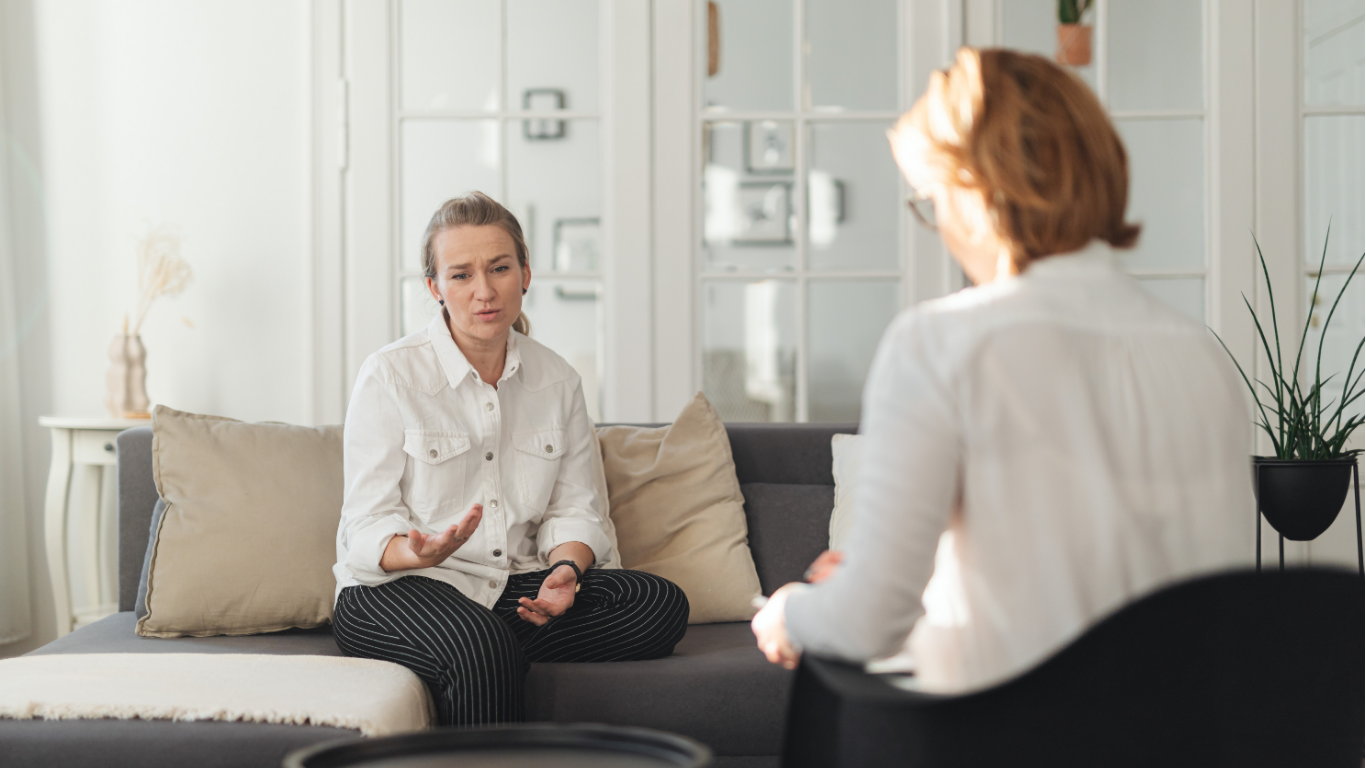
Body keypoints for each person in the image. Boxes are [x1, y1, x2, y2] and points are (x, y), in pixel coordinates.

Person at [752, 48, 1252, 692]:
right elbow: (1125, 582)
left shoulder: (939, 341)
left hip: (1011, 738)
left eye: (932, 200)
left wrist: (792, 611)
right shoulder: (1203, 355)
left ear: (975, 193)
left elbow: (866, 623)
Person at [332, 191, 689, 725]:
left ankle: (473, 658)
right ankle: (476, 655)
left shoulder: (558, 379)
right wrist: (418, 553)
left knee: (658, 604)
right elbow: (365, 525)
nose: (484, 291)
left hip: (512, 589)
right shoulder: (389, 375)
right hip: (398, 588)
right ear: (435, 288)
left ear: (525, 273)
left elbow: (577, 508)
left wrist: (566, 569)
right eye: (461, 275)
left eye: (499, 268)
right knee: (480, 645)